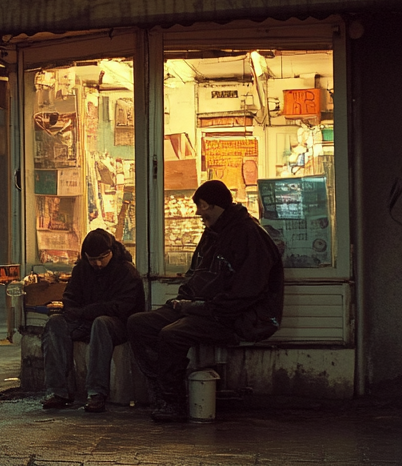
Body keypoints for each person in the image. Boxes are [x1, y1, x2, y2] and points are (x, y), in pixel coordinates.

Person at [127, 179, 284, 423]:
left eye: (201, 206)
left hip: (237, 317)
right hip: (202, 308)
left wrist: (200, 308)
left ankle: (173, 401)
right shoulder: (213, 233)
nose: (198, 213)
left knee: (172, 334)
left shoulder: (249, 236)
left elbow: (246, 293)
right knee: (138, 323)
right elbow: (197, 272)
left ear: (212, 206)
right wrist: (185, 299)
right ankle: (161, 388)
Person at [41, 229, 144, 413]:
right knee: (55, 324)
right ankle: (57, 391)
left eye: (102, 258)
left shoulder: (126, 271)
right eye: (92, 259)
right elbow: (70, 297)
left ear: (111, 252)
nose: (97, 263)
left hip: (117, 323)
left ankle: (96, 393)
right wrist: (71, 311)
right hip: (84, 319)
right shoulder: (82, 269)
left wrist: (86, 311)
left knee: (101, 323)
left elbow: (121, 307)